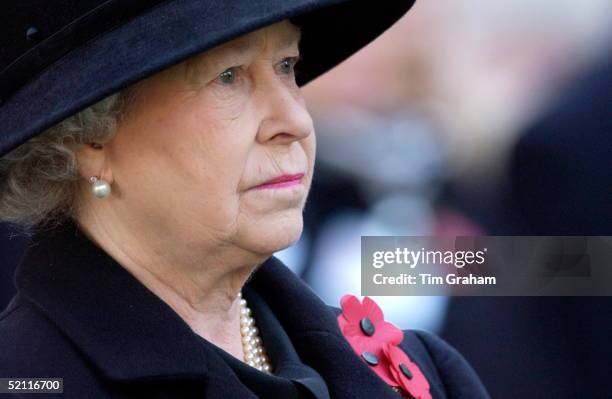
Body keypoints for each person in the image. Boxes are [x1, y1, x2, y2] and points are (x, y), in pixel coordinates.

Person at [0, 1, 489, 397]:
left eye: (286, 65)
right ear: (93, 137)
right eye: (228, 76)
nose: (295, 121)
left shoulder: (425, 374)